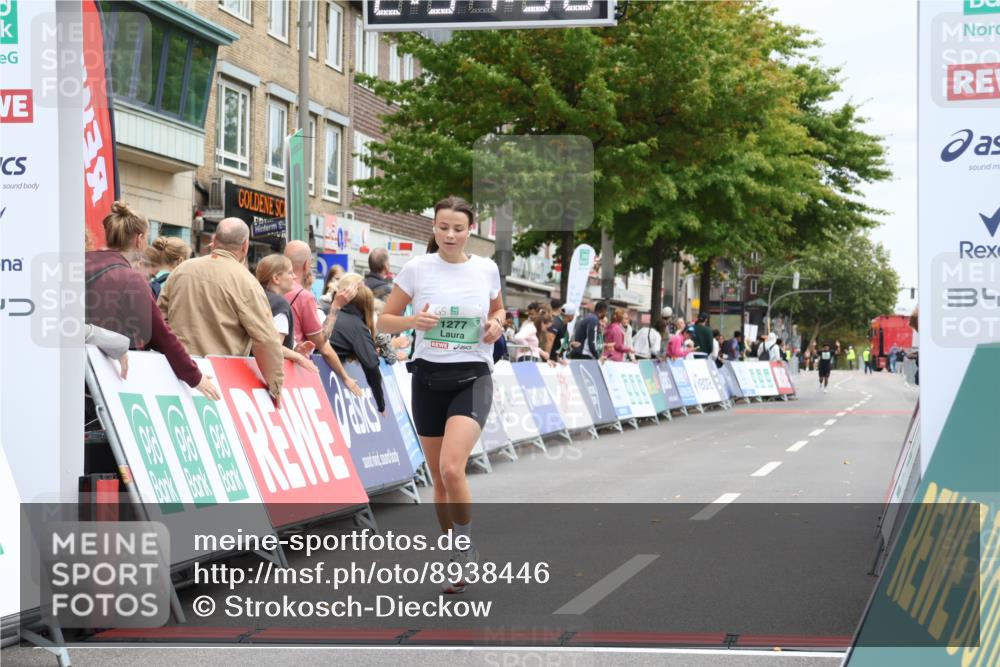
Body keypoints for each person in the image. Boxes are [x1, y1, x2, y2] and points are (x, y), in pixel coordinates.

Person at [377, 195, 505, 594]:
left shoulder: (486, 268)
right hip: (428, 377)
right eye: (442, 227)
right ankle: (453, 550)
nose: (449, 234)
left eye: (458, 228)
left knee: (453, 468)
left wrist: (497, 325)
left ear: (471, 231)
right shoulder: (417, 268)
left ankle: (464, 549)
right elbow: (382, 321)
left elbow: (499, 312)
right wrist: (414, 320)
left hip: (473, 377)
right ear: (433, 227)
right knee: (438, 479)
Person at [86, 201, 219, 399]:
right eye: (147, 238)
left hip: (64, 374)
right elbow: (160, 335)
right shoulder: (130, 279)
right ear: (139, 240)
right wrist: (195, 377)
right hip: (106, 382)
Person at [158, 217, 283, 400]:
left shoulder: (182, 270)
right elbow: (266, 340)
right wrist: (276, 387)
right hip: (220, 380)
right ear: (245, 246)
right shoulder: (247, 283)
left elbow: (159, 319)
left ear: (214, 240)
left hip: (177, 372)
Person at [284, 240, 364, 398]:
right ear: (307, 264)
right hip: (294, 372)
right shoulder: (304, 296)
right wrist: (336, 306)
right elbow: (322, 343)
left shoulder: (269, 286)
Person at [330, 274, 386, 414]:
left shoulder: (332, 315)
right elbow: (372, 366)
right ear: (367, 305)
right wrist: (381, 406)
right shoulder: (357, 327)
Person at [254, 254, 320, 373]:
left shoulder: (255, 297)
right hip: (268, 373)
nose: (294, 277)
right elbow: (274, 347)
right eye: (290, 273)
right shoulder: (280, 304)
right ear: (276, 278)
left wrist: (295, 347)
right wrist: (299, 358)